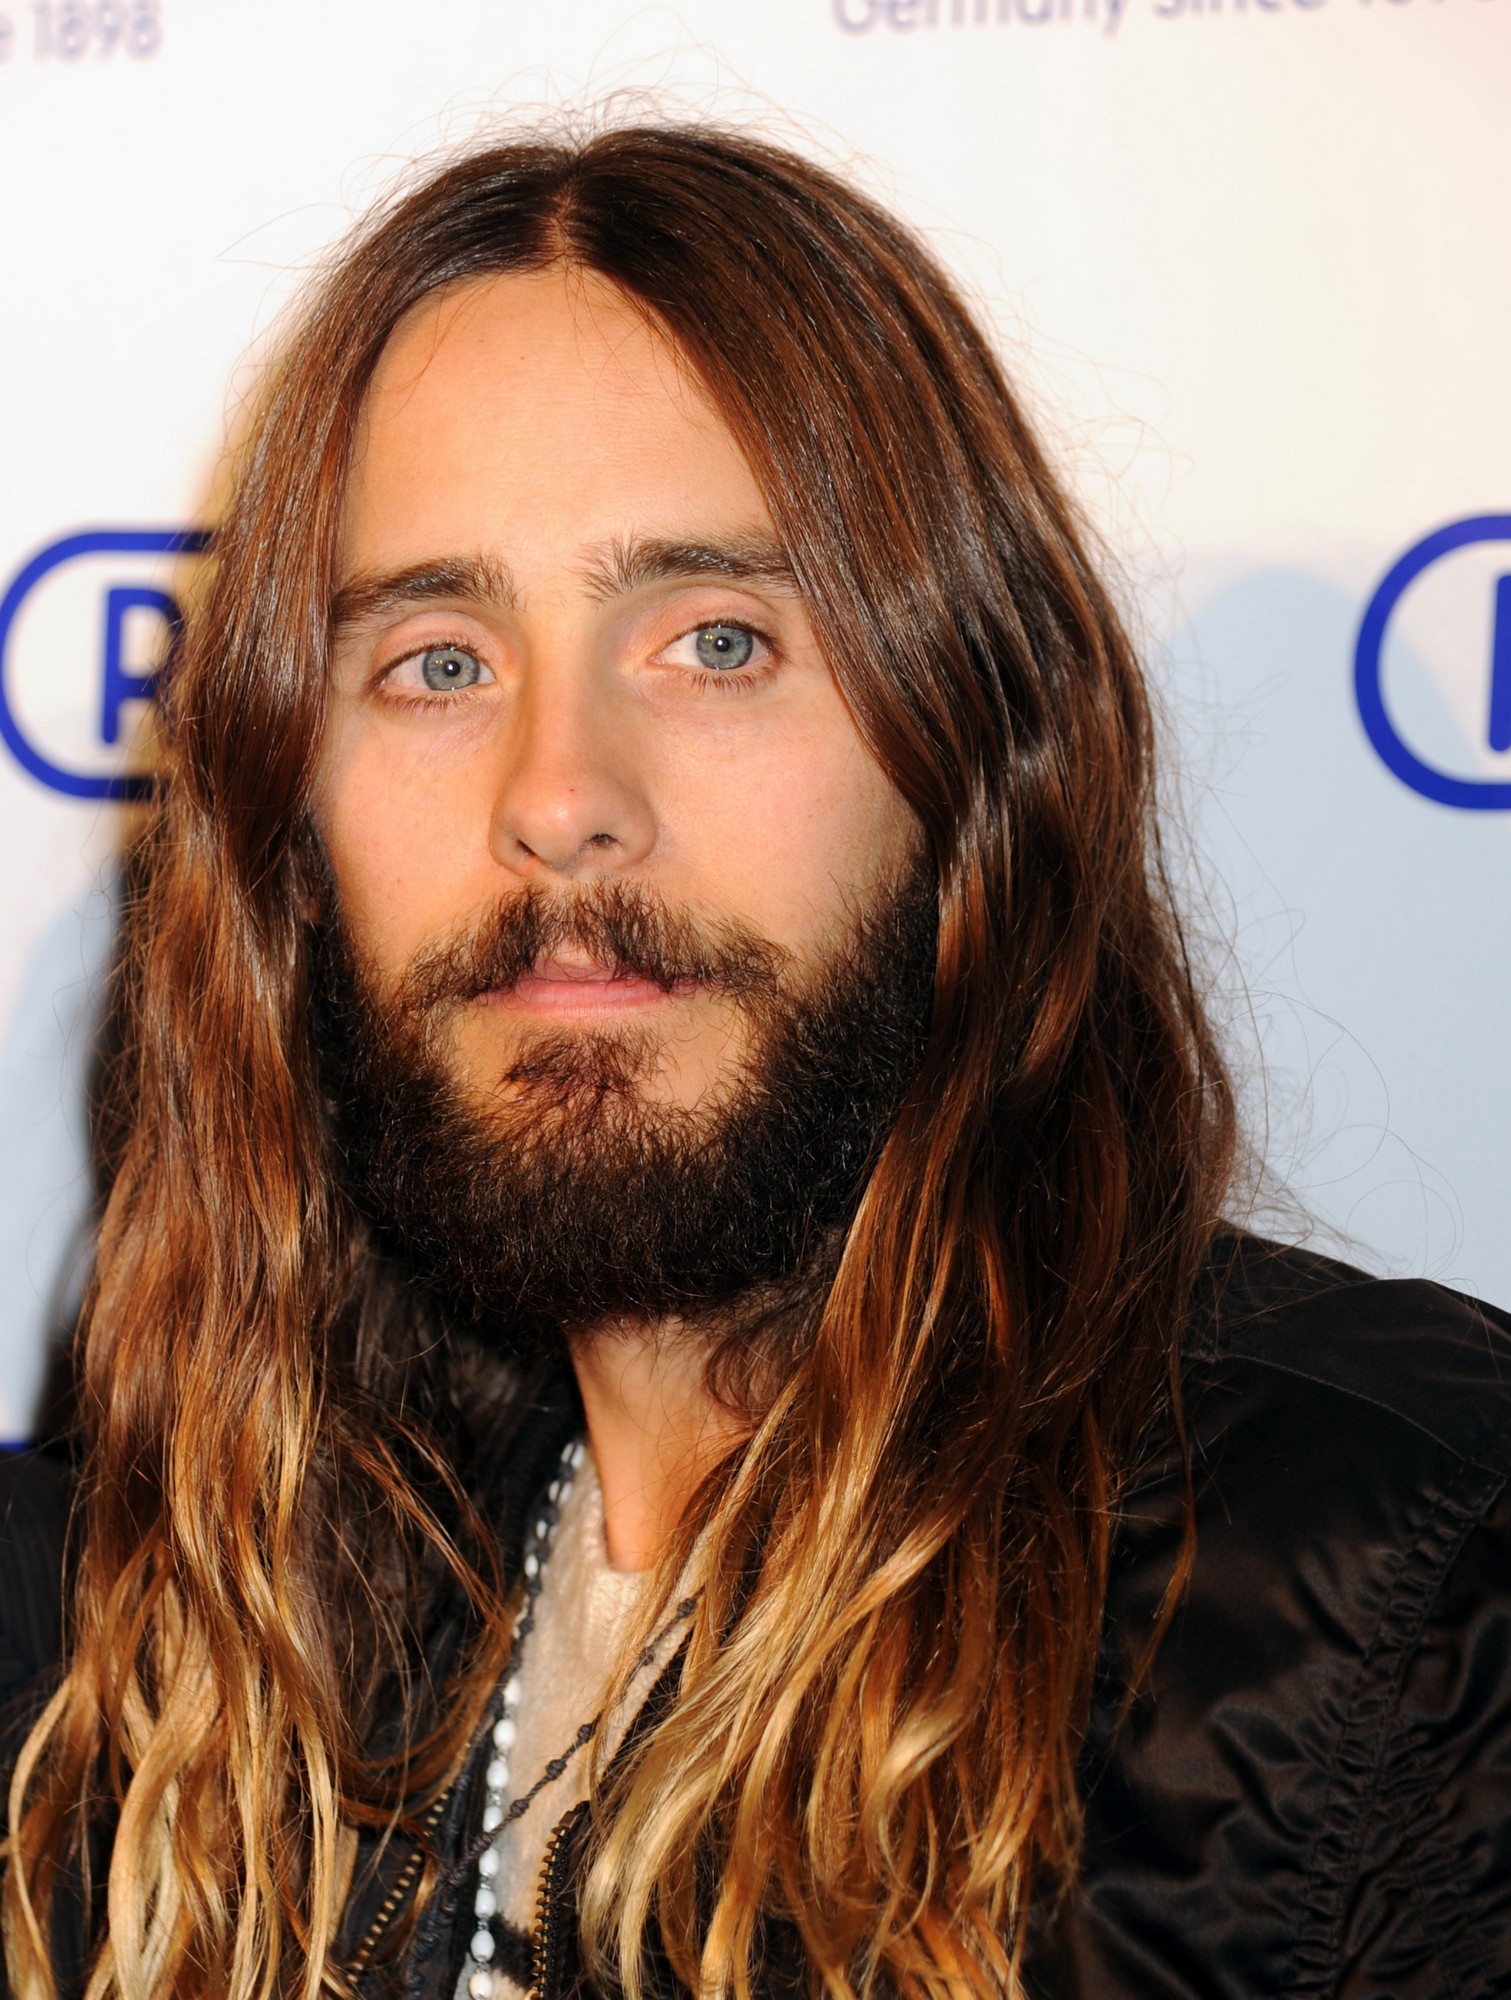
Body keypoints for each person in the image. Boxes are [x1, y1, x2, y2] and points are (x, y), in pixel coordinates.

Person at [1, 124, 1508, 2000]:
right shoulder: (169, 1658)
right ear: (291, 826)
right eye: (439, 661)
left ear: (972, 754)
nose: (559, 797)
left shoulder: (1399, 1593)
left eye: (716, 642)